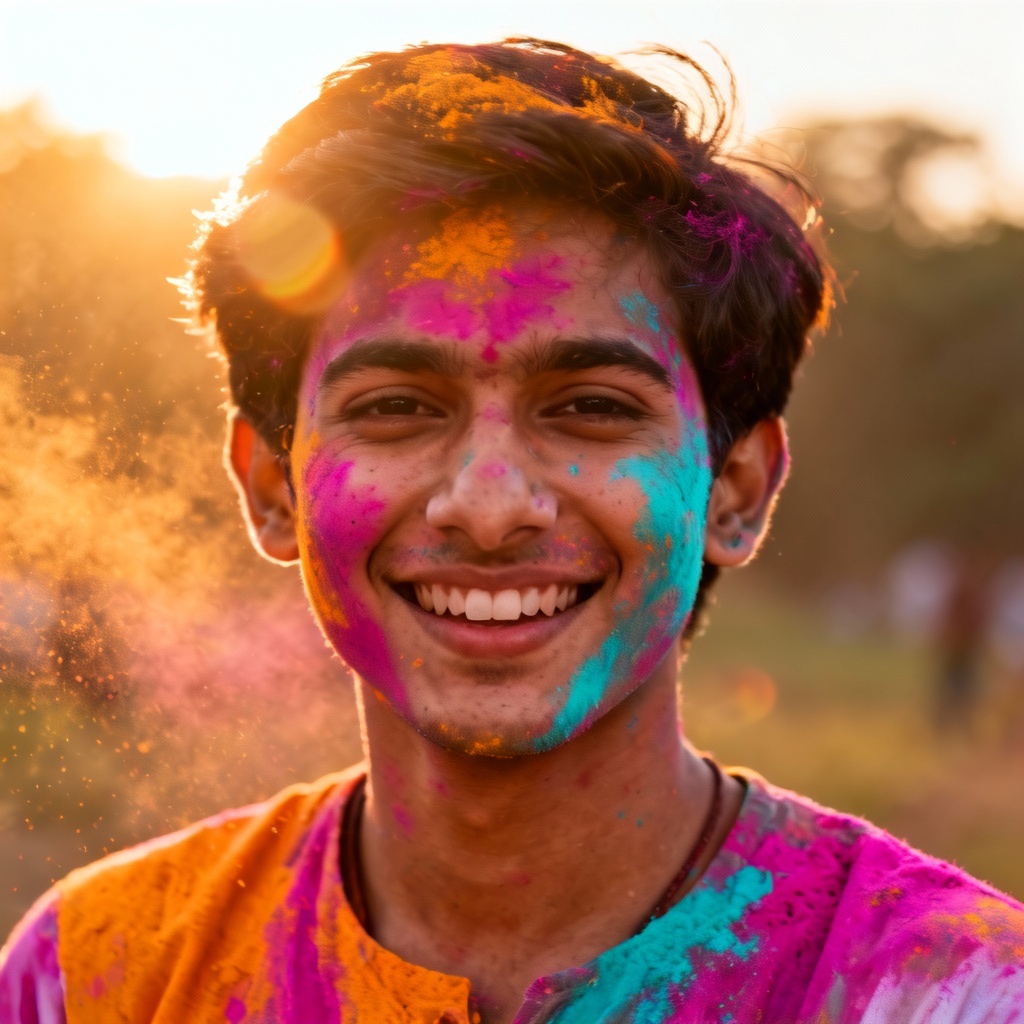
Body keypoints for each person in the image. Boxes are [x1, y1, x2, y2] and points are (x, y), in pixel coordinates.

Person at [2, 38, 1022, 1024]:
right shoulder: (96, 975)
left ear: (734, 491)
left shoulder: (954, 992)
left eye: (590, 407)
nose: (488, 509)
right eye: (398, 407)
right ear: (273, 486)